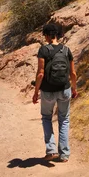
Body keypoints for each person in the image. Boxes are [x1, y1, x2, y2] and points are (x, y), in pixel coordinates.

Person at [32, 22, 77, 162]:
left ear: (46, 35)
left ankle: (51, 150)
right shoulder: (66, 50)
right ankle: (64, 155)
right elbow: (73, 73)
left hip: (48, 91)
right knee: (64, 120)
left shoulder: (43, 50)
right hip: (64, 89)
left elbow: (40, 73)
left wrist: (35, 92)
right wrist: (74, 89)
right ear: (58, 34)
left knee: (46, 117)